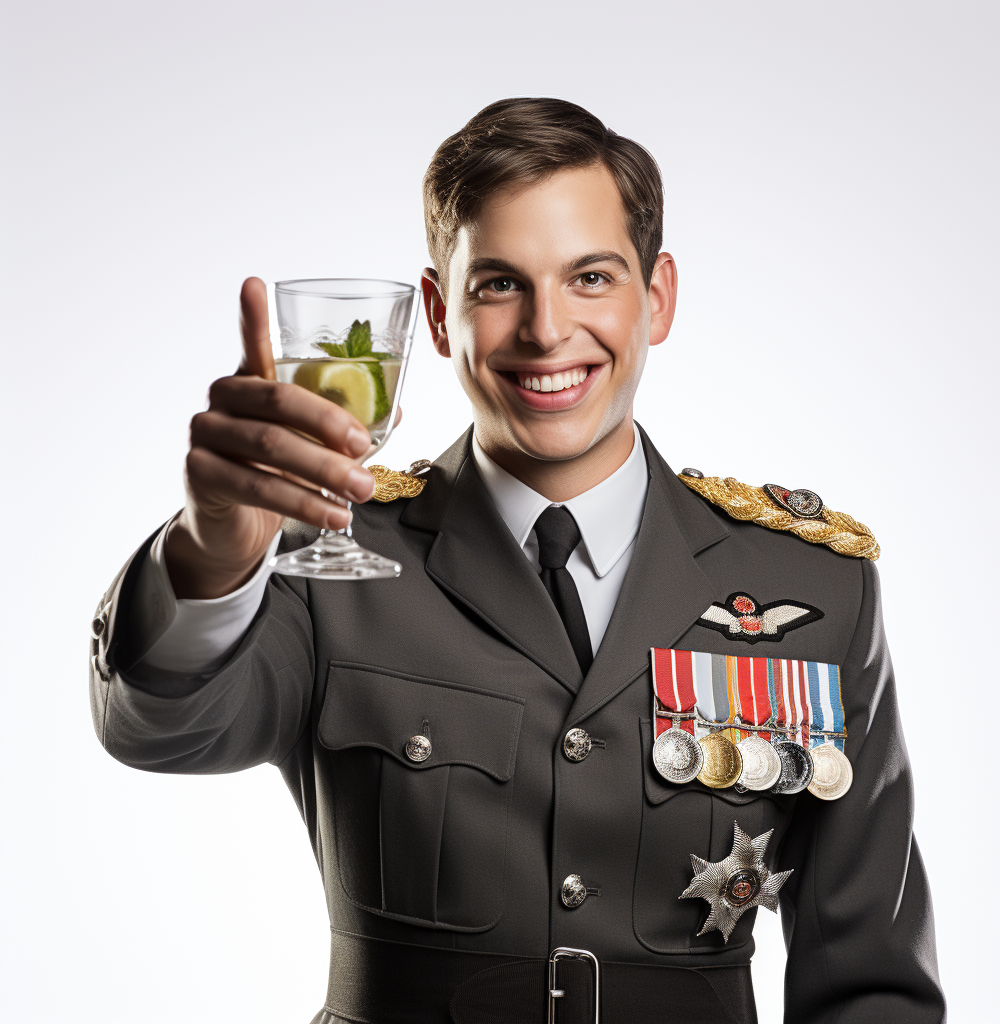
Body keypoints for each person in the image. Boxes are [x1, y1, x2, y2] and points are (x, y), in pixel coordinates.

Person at [89, 98, 945, 1024]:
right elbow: (160, 730)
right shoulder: (325, 556)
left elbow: (870, 985)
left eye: (590, 277)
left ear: (655, 298)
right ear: (437, 313)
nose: (546, 330)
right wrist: (210, 551)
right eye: (499, 284)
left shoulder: (814, 587)